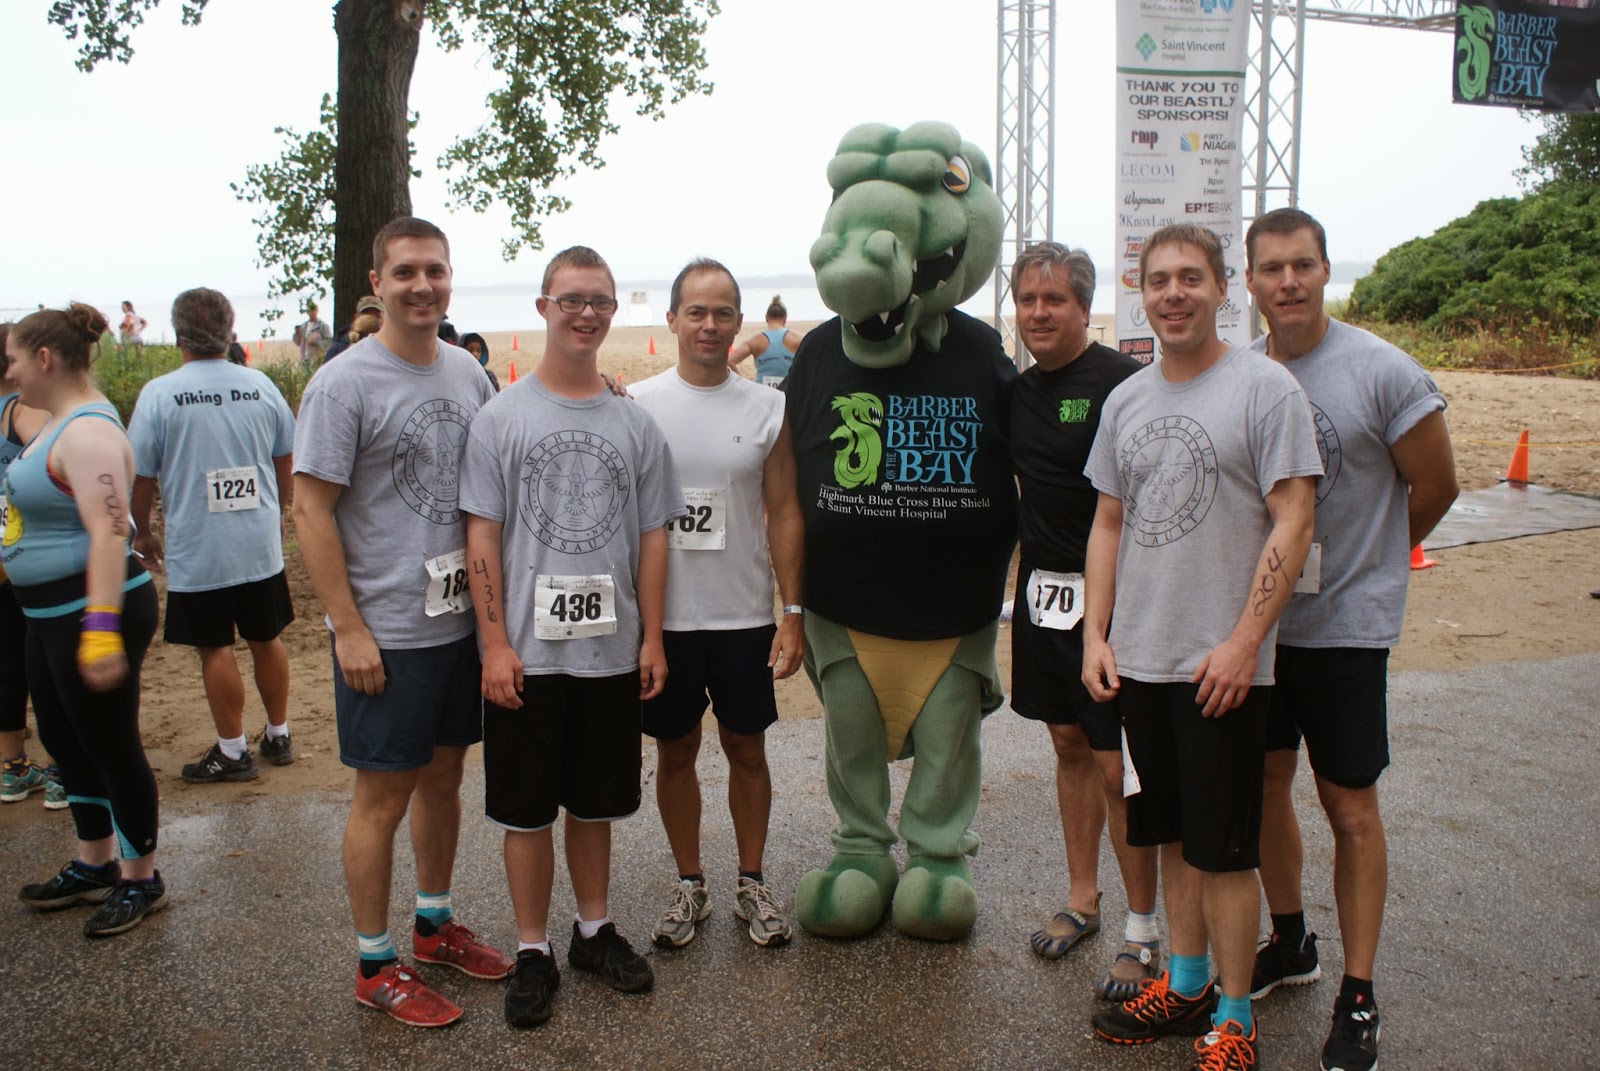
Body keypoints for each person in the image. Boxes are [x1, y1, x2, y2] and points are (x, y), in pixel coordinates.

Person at [1082, 224, 1321, 1069]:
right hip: (1139, 661)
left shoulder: (1265, 389)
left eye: (1191, 277)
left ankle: (1234, 1013)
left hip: (1220, 667)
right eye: (1159, 280)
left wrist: (1246, 641)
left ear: (1224, 288)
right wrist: (1095, 634)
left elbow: (1295, 516)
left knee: (1223, 850)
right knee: (1174, 834)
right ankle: (1184, 983)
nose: (1174, 293)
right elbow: (1107, 522)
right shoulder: (1126, 400)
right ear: (1140, 293)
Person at [1244, 207, 1459, 1071]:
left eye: (1302, 264)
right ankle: (1291, 939)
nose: (1288, 281)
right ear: (1249, 281)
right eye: (1271, 268)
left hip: (1344, 631)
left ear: (1327, 270)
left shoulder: (1381, 370)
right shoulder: (1246, 373)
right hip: (1262, 630)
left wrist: (1372, 562)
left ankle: (1359, 992)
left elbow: (1436, 484)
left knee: (1349, 806)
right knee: (1266, 786)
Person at [292, 217, 510, 1028]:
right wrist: (347, 626)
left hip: (457, 625)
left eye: (436, 271)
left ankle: (433, 923)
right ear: (377, 282)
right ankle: (374, 962)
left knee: (445, 777)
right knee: (382, 796)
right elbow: (310, 510)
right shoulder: (343, 384)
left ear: (450, 279)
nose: (423, 285)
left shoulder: (467, 372)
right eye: (407, 271)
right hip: (385, 631)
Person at [460, 245, 683, 1029]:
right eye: (571, 300)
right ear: (543, 307)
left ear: (614, 311)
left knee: (595, 803)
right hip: (526, 654)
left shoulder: (634, 422)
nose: (586, 313)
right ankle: (532, 948)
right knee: (525, 810)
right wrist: (494, 642)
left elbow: (653, 537)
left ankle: (593, 929)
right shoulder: (501, 418)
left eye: (600, 301)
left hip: (610, 653)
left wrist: (652, 638)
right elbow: (481, 535)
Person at [630, 259, 805, 950]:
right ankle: (689, 883)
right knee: (675, 751)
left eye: (723, 312)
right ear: (672, 319)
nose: (709, 324)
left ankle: (752, 881)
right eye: (696, 312)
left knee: (746, 748)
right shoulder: (637, 403)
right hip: (666, 621)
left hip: (743, 617)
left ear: (740, 323)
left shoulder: (767, 407)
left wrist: (793, 613)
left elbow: (784, 511)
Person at [1005, 244, 1158, 998]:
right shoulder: (1015, 390)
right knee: (1067, 744)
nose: (1038, 312)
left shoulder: (1124, 384)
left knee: (1113, 762)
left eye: (1054, 299)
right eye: (1027, 299)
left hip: (1117, 605)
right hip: (1042, 599)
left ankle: (1143, 928)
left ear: (1084, 308)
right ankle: (1082, 899)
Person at [3, 303, 165, 938]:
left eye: (14, 358)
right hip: (44, 614)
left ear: (45, 358)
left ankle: (141, 876)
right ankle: (94, 861)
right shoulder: (53, 423)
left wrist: (99, 630)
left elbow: (109, 532)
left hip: (91, 613)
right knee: (66, 741)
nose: (10, 370)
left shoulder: (88, 432)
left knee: (110, 742)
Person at [128, 288, 298, 784]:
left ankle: (232, 749)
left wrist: (142, 532)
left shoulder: (160, 394)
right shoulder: (259, 385)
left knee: (215, 646)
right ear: (228, 330)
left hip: (200, 544)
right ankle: (279, 733)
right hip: (257, 540)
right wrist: (278, 507)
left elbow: (141, 475)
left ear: (178, 335)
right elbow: (286, 454)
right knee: (266, 637)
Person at [1, 323, 67, 811]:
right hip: (27, 551)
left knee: (7, 661)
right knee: (44, 659)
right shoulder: (20, 412)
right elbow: (53, 455)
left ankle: (13, 766)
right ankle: (62, 768)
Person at [727, 295, 803, 386]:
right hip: (789, 389)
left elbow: (729, 361)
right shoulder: (797, 339)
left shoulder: (755, 340)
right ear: (785, 318)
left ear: (766, 318)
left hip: (763, 391)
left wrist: (743, 385)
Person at [323, 296, 383, 363]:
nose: (372, 320)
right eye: (366, 315)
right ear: (356, 317)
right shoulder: (338, 350)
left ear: (384, 318)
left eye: (377, 316)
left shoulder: (389, 349)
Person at [296, 301, 331, 368]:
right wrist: (297, 335)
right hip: (304, 361)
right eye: (310, 310)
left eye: (313, 310)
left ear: (317, 311)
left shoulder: (323, 326)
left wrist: (317, 342)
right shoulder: (303, 326)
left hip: (317, 362)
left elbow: (329, 343)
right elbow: (298, 343)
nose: (311, 313)